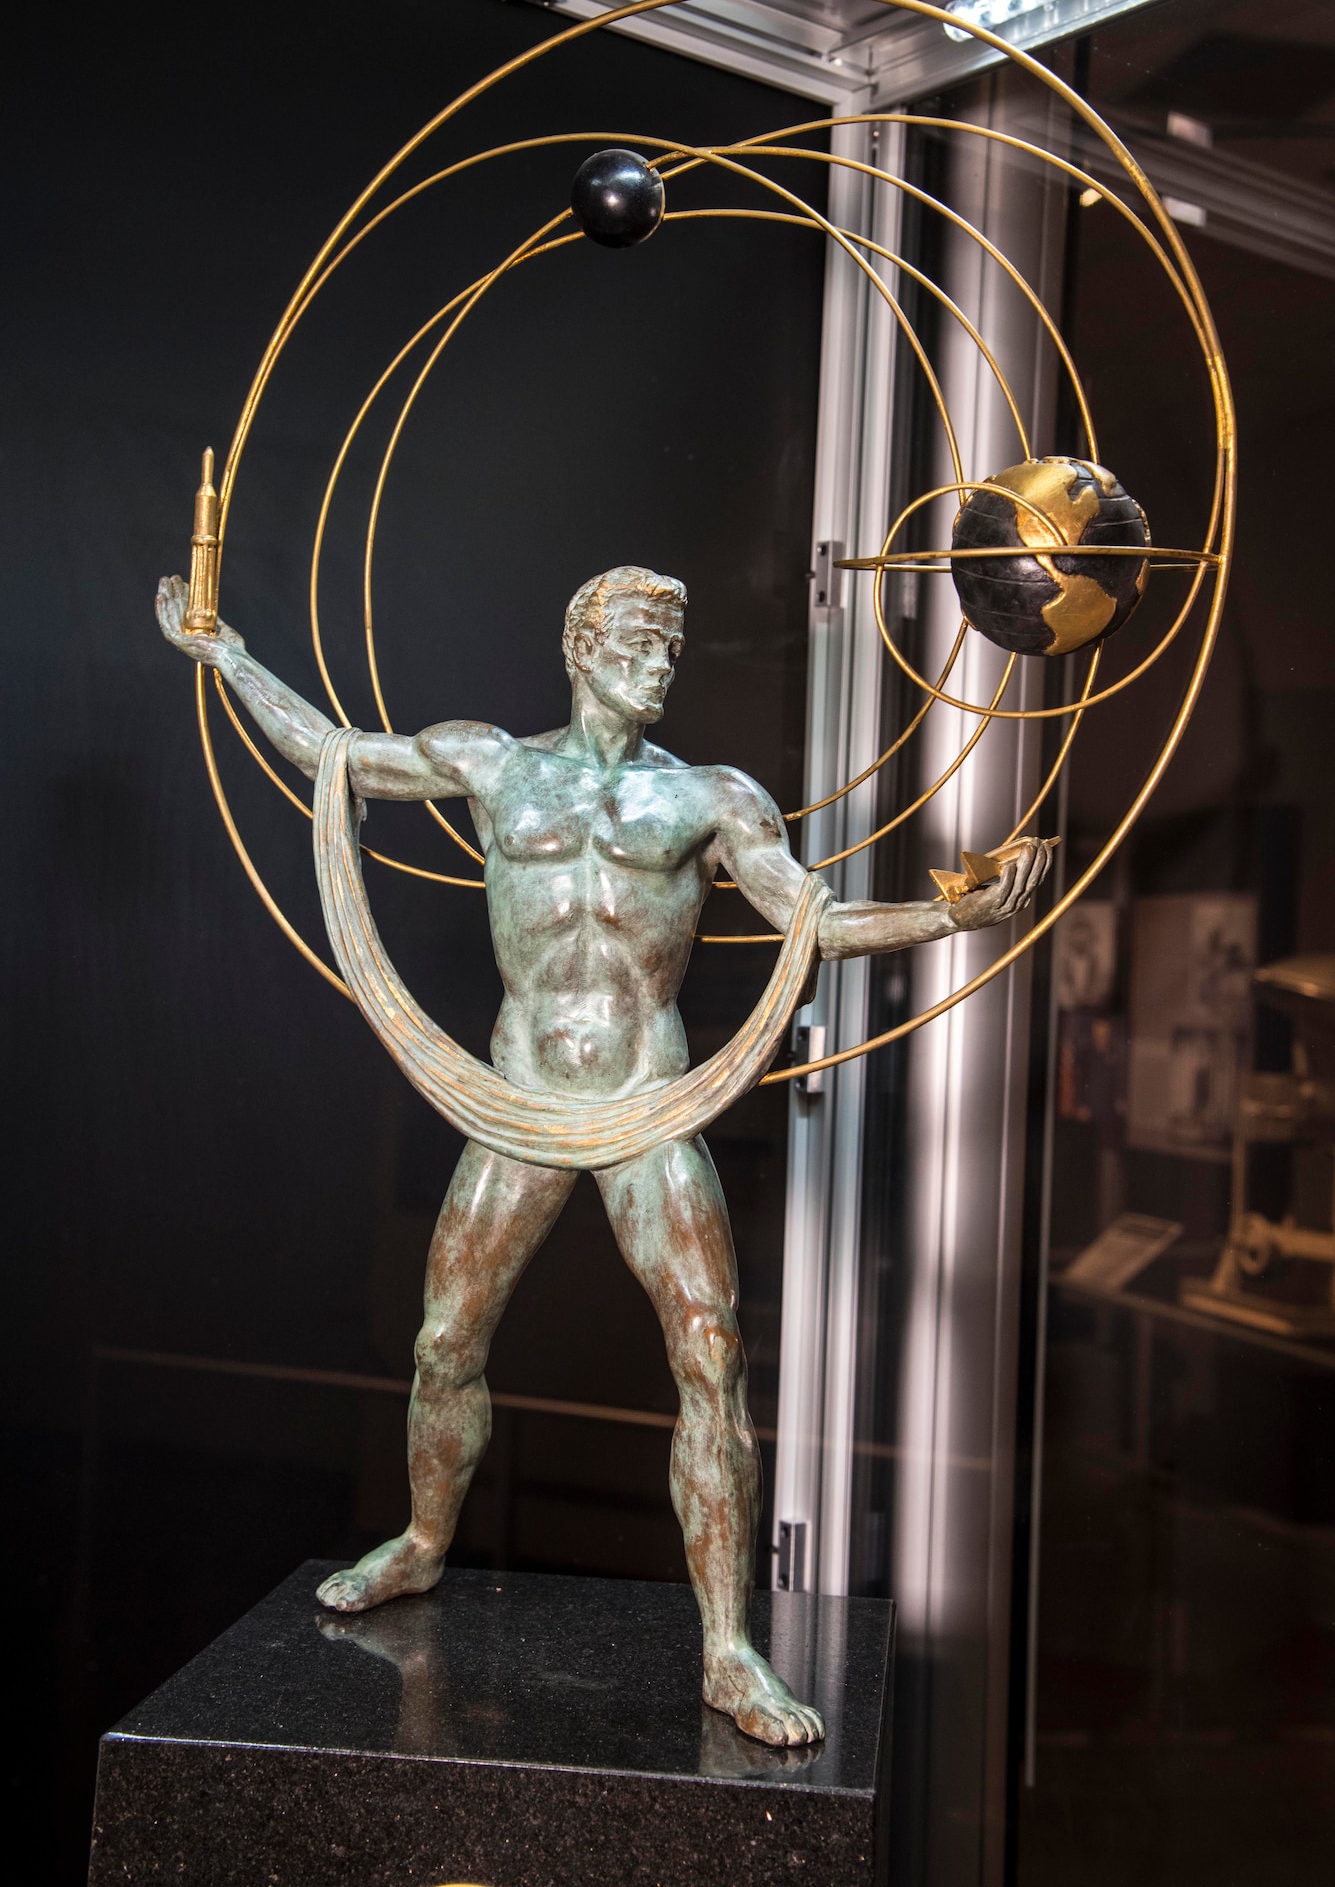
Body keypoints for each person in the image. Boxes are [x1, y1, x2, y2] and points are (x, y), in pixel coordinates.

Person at [157, 562, 1051, 1744]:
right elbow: (331, 751)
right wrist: (223, 654)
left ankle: (728, 1647)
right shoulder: (491, 761)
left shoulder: (714, 799)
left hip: (648, 1099)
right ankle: (426, 1540)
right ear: (581, 643)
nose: (660, 659)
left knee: (713, 1350)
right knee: (443, 1340)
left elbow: (814, 924)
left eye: (674, 642)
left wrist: (951, 914)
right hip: (519, 1094)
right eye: (640, 636)